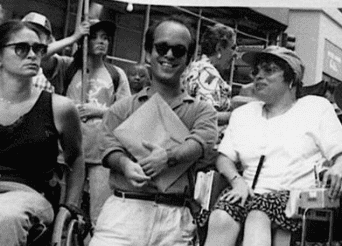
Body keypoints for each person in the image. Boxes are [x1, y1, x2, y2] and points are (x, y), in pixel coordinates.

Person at [204, 46, 342, 246]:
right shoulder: (244, 114)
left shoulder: (315, 108)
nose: (259, 76)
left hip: (295, 198)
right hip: (246, 190)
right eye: (256, 71)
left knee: (258, 215)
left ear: (291, 78)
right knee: (221, 217)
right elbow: (224, 157)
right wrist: (236, 181)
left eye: (269, 70)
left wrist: (338, 167)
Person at [91, 17, 218, 246]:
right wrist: (124, 164)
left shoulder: (201, 111)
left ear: (188, 59)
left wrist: (168, 157)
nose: (169, 55)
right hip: (124, 211)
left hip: (175, 217)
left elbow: (202, 142)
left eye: (179, 50)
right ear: (149, 53)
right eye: (161, 47)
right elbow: (108, 148)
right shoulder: (122, 108)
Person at [0, 21, 85, 245]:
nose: (32, 55)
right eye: (21, 48)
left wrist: (70, 207)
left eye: (38, 49)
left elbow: (75, 158)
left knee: (4, 216)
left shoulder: (60, 108)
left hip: (30, 195)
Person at [64, 20, 131, 225]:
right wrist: (75, 36)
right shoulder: (68, 67)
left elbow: (127, 112)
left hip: (101, 150)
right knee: (65, 209)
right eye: (94, 37)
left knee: (99, 212)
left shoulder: (116, 74)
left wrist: (99, 110)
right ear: (85, 41)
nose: (100, 42)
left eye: (104, 38)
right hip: (69, 150)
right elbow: (44, 57)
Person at [22, 11, 89, 94]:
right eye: (27, 32)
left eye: (38, 34)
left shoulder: (57, 63)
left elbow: (42, 55)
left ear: (49, 40)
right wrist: (73, 38)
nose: (32, 36)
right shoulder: (9, 53)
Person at [182, 23, 235, 115]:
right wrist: (236, 116)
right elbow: (207, 115)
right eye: (233, 48)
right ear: (219, 49)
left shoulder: (196, 67)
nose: (235, 54)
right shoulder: (207, 72)